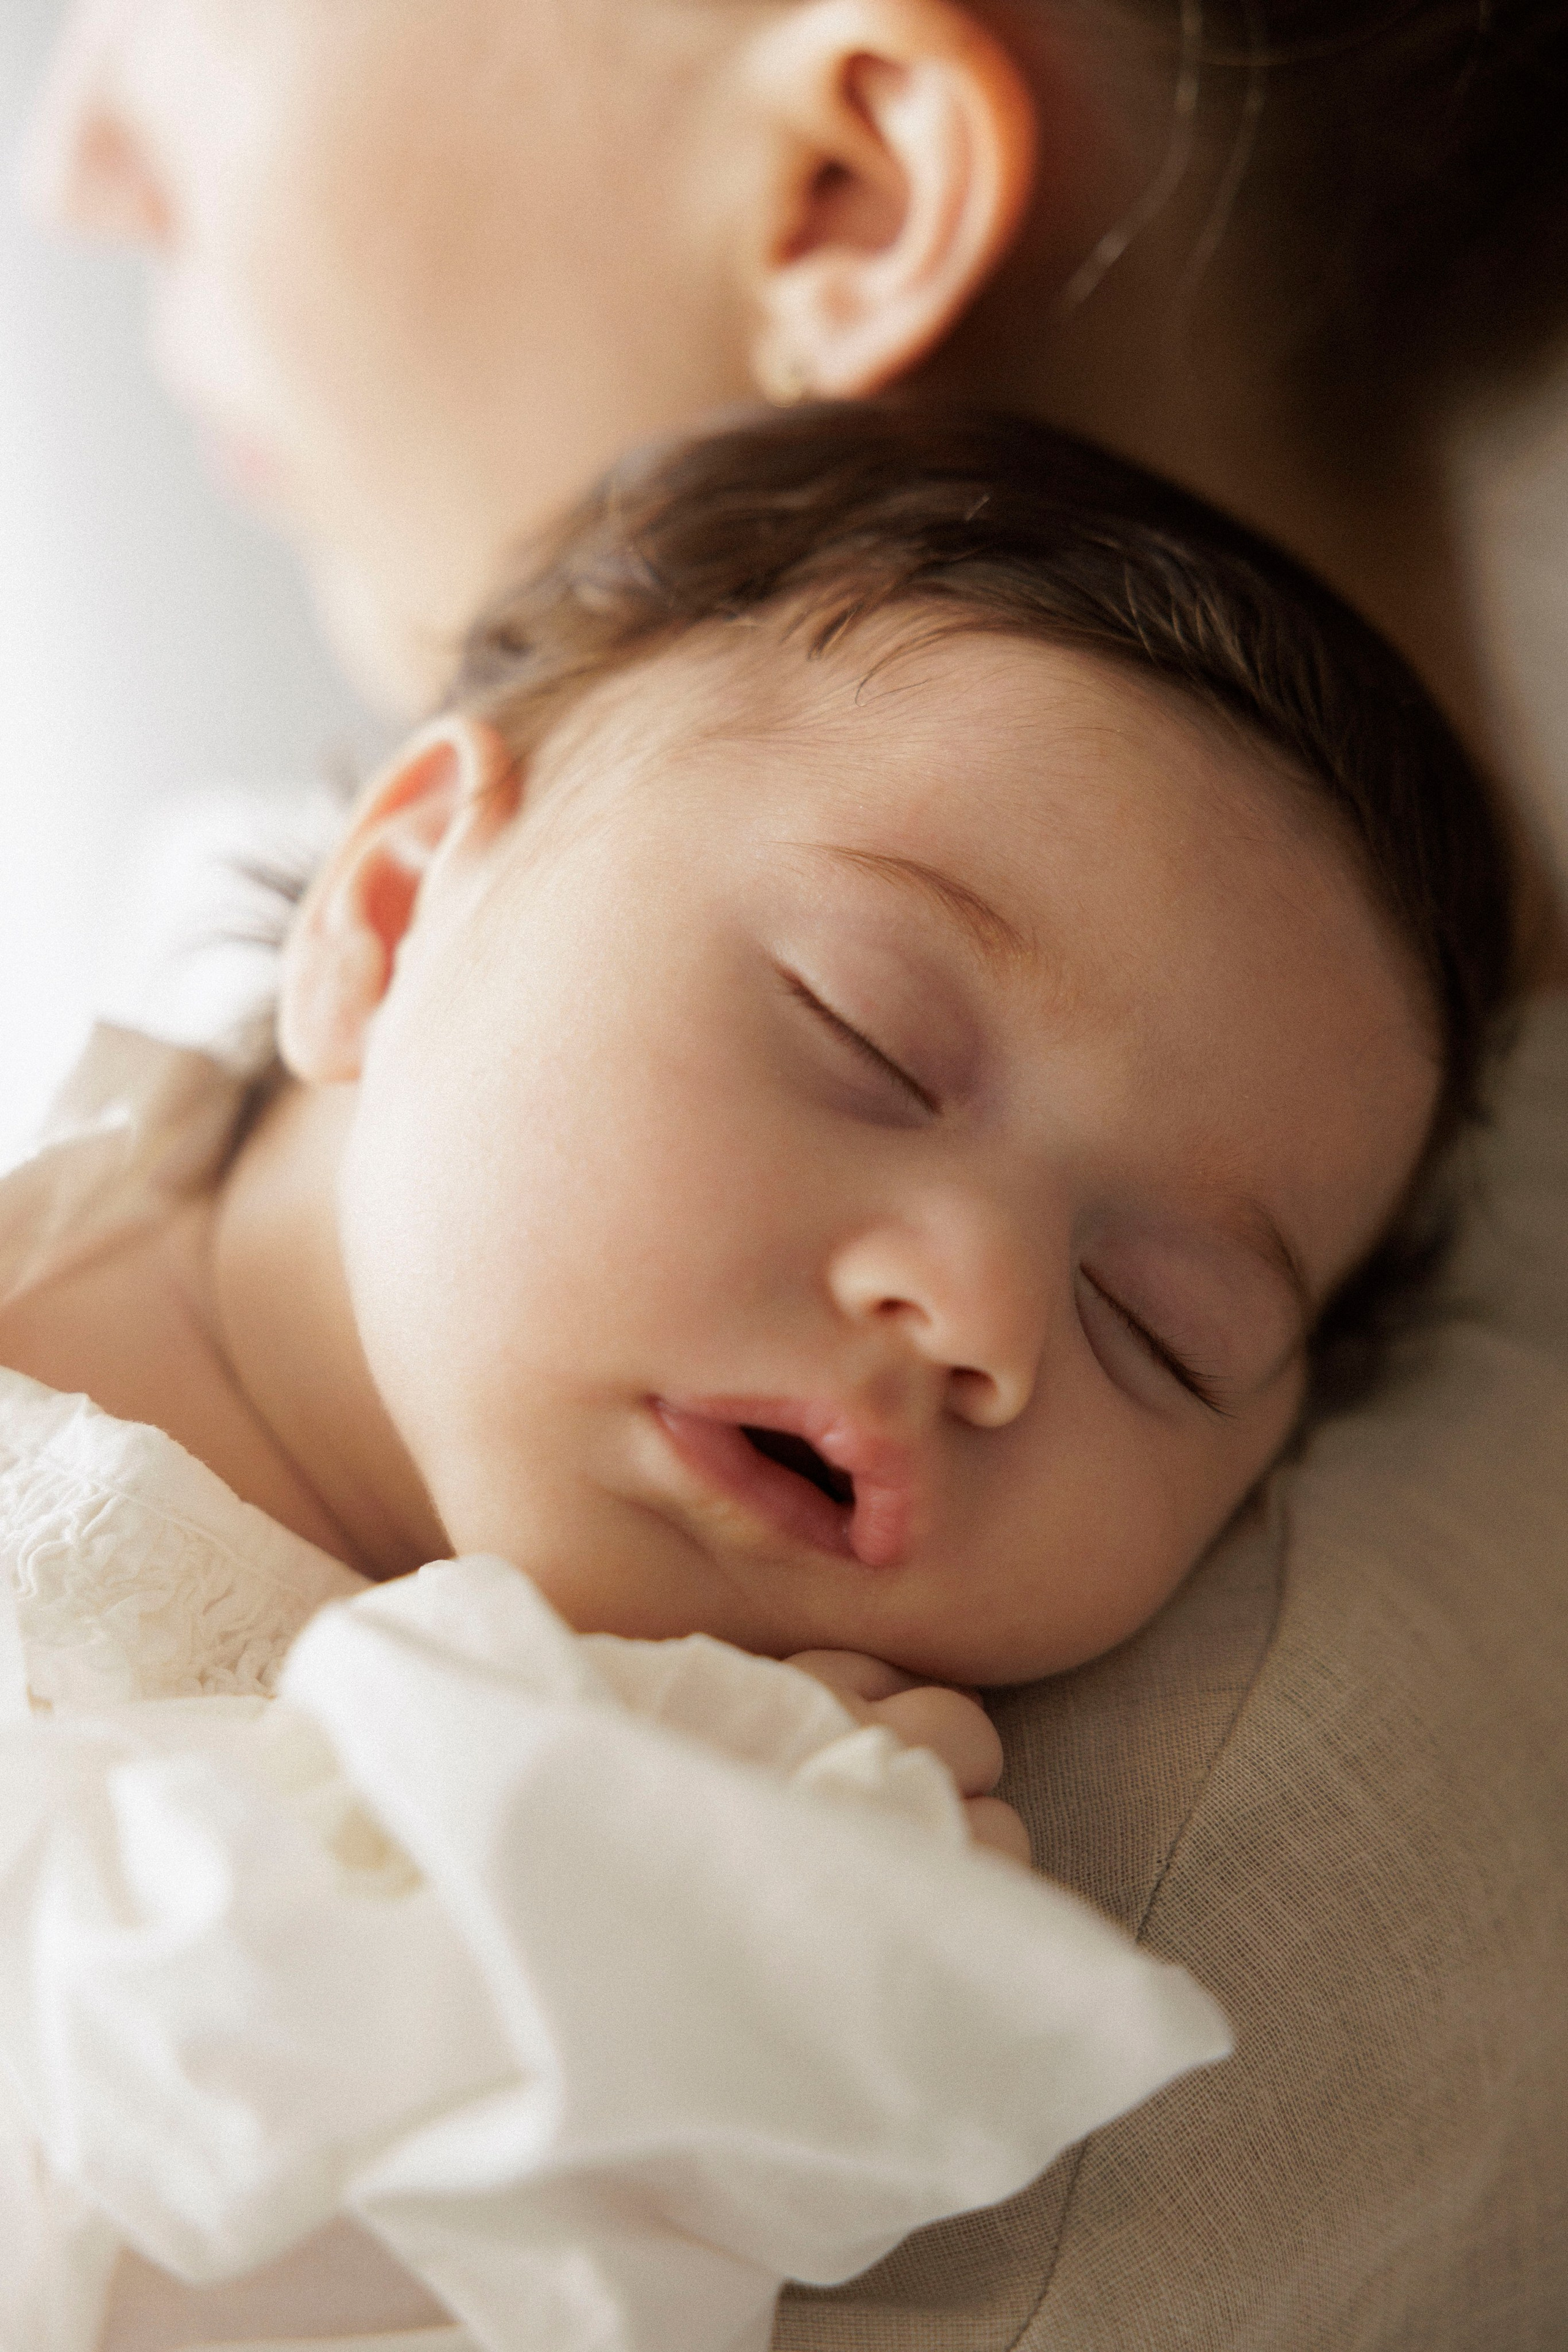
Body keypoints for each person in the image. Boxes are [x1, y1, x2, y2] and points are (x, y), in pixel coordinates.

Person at [19, 2, 1568, 2342]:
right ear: (393, 901)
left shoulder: (625, 1916)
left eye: (1162, 1334)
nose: (986, 1313)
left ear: (856, 185)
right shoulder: (193, 967)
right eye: (863, 1041)